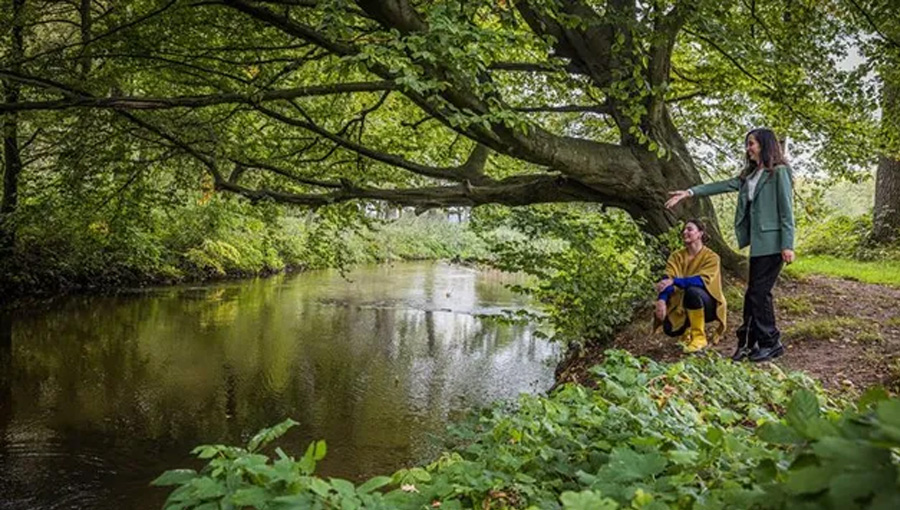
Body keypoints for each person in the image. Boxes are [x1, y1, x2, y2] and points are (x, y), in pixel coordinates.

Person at [665, 128, 795, 362]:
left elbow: (786, 212)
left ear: (765, 145)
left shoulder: (779, 173)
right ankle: (746, 343)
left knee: (759, 294)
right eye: (748, 144)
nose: (749, 148)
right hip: (758, 244)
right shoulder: (750, 175)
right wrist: (690, 192)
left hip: (775, 244)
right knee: (752, 295)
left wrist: (788, 245)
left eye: (752, 144)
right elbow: (722, 185)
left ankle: (771, 342)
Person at [652, 219, 727, 353]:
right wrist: (662, 299)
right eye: (684, 230)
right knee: (669, 329)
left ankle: (699, 337)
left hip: (707, 304)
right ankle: (686, 331)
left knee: (692, 291)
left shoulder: (712, 257)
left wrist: (675, 282)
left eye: (689, 229)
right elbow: (668, 278)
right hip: (681, 302)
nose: (685, 232)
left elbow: (702, 280)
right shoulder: (676, 256)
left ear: (700, 234)